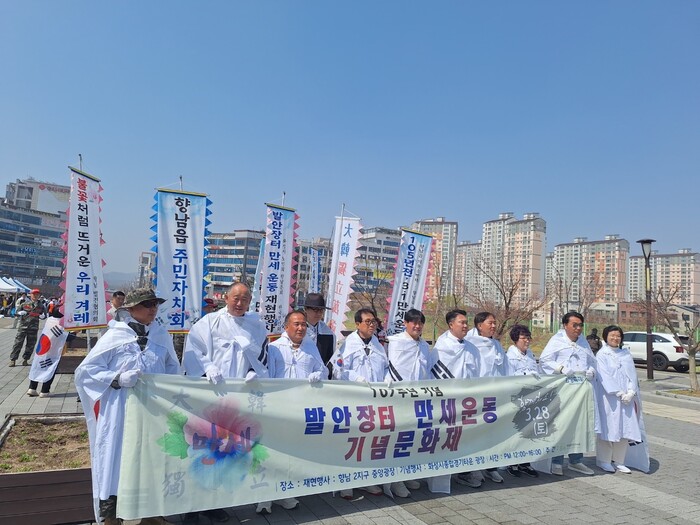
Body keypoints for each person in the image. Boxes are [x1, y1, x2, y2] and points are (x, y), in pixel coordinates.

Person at [75, 288, 180, 525]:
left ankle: (151, 515)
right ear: (131, 309)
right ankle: (112, 517)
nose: (153, 309)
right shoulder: (114, 336)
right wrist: (116, 379)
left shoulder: (162, 336)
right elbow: (86, 371)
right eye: (147, 304)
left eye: (155, 304)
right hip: (119, 411)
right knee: (117, 458)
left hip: (152, 412)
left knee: (151, 458)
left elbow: (173, 368)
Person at [182, 282, 270, 524]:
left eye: (245, 299)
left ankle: (215, 504)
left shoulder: (256, 325)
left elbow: (263, 356)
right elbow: (194, 350)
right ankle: (191, 508)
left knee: (227, 452)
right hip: (210, 396)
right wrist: (207, 367)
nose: (240, 303)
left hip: (237, 400)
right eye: (236, 298)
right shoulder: (210, 322)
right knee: (202, 450)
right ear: (226, 298)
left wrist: (254, 371)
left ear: (250, 301)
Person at [260, 310, 325, 514]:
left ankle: (285, 493)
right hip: (277, 409)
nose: (300, 328)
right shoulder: (274, 348)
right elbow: (266, 376)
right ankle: (264, 497)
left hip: (300, 409)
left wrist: (318, 374)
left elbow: (323, 370)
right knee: (271, 453)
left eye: (303, 324)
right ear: (286, 326)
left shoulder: (311, 348)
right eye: (296, 324)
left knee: (291, 453)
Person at [331, 308, 386, 499]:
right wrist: (356, 378)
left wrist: (387, 379)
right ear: (357, 324)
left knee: (370, 442)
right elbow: (338, 370)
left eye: (374, 322)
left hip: (374, 401)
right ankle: (346, 482)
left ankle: (366, 480)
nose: (371, 325)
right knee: (351, 442)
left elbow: (386, 367)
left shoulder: (378, 345)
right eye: (367, 321)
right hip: (353, 401)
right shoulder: (348, 345)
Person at [539, 311, 597, 476]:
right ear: (565, 325)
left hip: (579, 390)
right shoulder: (557, 340)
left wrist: (591, 371)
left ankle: (576, 460)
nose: (578, 328)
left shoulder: (583, 342)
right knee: (562, 424)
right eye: (574, 325)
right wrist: (560, 368)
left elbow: (592, 361)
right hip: (562, 389)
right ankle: (557, 461)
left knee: (579, 424)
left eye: (580, 325)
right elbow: (544, 360)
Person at [385, 308, 434, 498]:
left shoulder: (424, 346)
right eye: (413, 322)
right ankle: (395, 480)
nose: (417, 326)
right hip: (397, 399)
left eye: (420, 322)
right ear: (405, 323)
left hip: (417, 399)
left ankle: (406, 475)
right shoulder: (394, 342)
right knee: (397, 440)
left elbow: (426, 372)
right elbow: (386, 367)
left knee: (412, 439)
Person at [431, 309, 482, 489]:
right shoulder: (441, 348)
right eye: (462, 322)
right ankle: (440, 476)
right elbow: (435, 376)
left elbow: (477, 374)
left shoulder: (472, 348)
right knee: (446, 439)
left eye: (466, 322)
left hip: (467, 403)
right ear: (451, 324)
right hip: (447, 402)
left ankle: (464, 473)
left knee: (465, 438)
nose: (466, 325)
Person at [466, 311, 508, 484]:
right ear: (479, 325)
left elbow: (505, 369)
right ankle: (473, 468)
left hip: (495, 397)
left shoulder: (496, 345)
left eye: (494, 323)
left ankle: (491, 468)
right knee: (475, 433)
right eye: (490, 323)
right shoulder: (470, 344)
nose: (493, 326)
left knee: (492, 433)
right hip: (477, 397)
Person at [594, 325, 642, 474]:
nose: (615, 338)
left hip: (627, 399)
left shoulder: (625, 354)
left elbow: (632, 375)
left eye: (618, 336)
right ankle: (604, 460)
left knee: (625, 428)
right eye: (612, 335)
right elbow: (605, 377)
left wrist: (631, 391)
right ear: (606, 337)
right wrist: (619, 393)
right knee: (608, 427)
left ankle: (619, 461)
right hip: (609, 398)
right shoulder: (602, 355)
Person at [505, 324, 540, 478]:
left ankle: (525, 462)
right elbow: (508, 377)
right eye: (523, 338)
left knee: (528, 431)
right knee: (515, 432)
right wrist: (526, 375)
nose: (527, 340)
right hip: (516, 399)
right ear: (515, 339)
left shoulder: (530, 354)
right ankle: (512, 463)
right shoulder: (510, 356)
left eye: (528, 337)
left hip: (530, 399)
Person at [10, 288, 46, 367]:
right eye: (34, 294)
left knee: (30, 345)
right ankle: (13, 360)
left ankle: (25, 359)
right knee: (18, 343)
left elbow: (44, 315)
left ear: (39, 295)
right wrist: (20, 313)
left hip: (33, 328)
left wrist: (42, 316)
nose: (35, 296)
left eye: (37, 294)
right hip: (23, 327)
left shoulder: (41, 305)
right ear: (31, 295)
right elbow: (16, 313)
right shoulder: (24, 304)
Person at [303, 293, 335, 377]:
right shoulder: (297, 328)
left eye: (321, 310)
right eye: (315, 310)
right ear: (305, 309)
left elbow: (329, 359)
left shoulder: (327, 332)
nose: (318, 313)